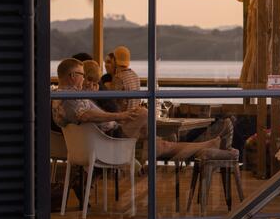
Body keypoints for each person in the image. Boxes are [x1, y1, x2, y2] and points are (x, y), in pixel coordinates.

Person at [55, 59, 235, 160]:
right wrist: (121, 115)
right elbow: (86, 115)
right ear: (72, 76)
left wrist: (120, 116)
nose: (84, 79)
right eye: (82, 75)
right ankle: (203, 145)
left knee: (159, 143)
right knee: (144, 115)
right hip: (106, 143)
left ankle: (204, 145)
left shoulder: (63, 95)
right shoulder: (68, 97)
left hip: (103, 139)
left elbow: (85, 115)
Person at [110, 46, 141, 112]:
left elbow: (113, 103)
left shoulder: (118, 78)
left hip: (124, 117)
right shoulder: (135, 75)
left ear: (115, 60)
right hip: (135, 115)